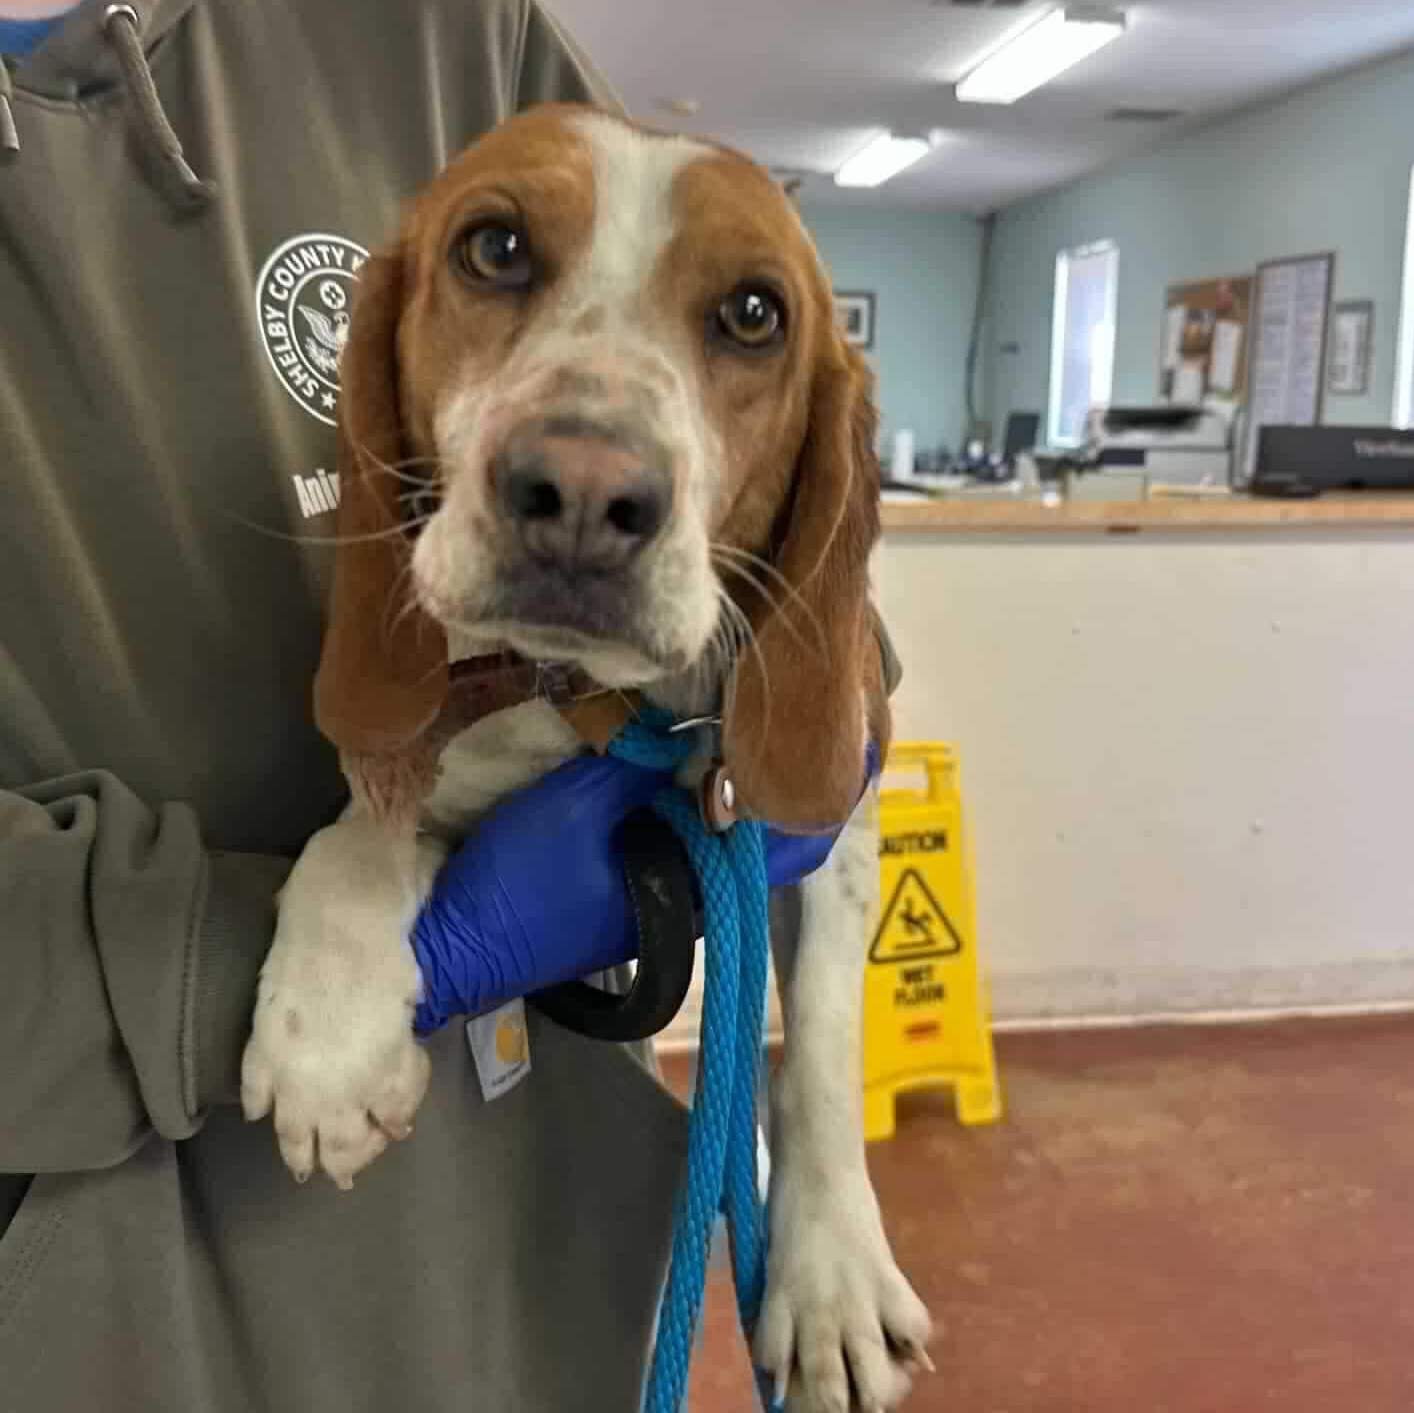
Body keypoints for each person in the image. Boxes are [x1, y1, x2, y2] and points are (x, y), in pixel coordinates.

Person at [0, 1, 902, 1408]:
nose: (592, 471)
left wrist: (823, 1175)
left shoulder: (443, 23)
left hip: (520, 1265)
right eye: (500, 255)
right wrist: (373, 902)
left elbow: (824, 762)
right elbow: (397, 771)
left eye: (742, 320)